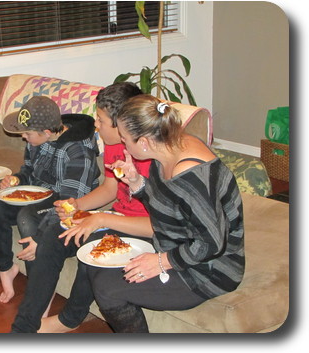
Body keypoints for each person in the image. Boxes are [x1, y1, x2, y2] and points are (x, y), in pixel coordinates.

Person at [78, 94, 245, 333]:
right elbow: (168, 208)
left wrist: (161, 262)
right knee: (98, 260)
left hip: (209, 270)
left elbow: (212, 244)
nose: (123, 146)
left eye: (125, 140)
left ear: (144, 141)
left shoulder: (191, 176)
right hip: (176, 244)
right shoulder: (165, 147)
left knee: (108, 289)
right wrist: (136, 182)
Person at [11, 82, 150, 333]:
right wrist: (77, 205)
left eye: (100, 120)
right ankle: (24, 328)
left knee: (91, 246)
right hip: (115, 215)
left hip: (137, 228)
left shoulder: (150, 154)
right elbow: (110, 189)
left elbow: (157, 221)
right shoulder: (114, 144)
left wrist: (100, 220)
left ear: (122, 123)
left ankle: (69, 318)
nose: (95, 125)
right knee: (53, 236)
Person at [0, 96, 100, 304]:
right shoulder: (36, 140)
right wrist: (17, 179)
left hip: (69, 200)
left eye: (27, 133)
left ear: (47, 133)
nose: (23, 137)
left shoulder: (78, 151)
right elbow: (29, 171)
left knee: (27, 217)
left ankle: (37, 291)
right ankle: (6, 268)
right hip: (42, 193)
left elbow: (70, 204)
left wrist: (40, 237)